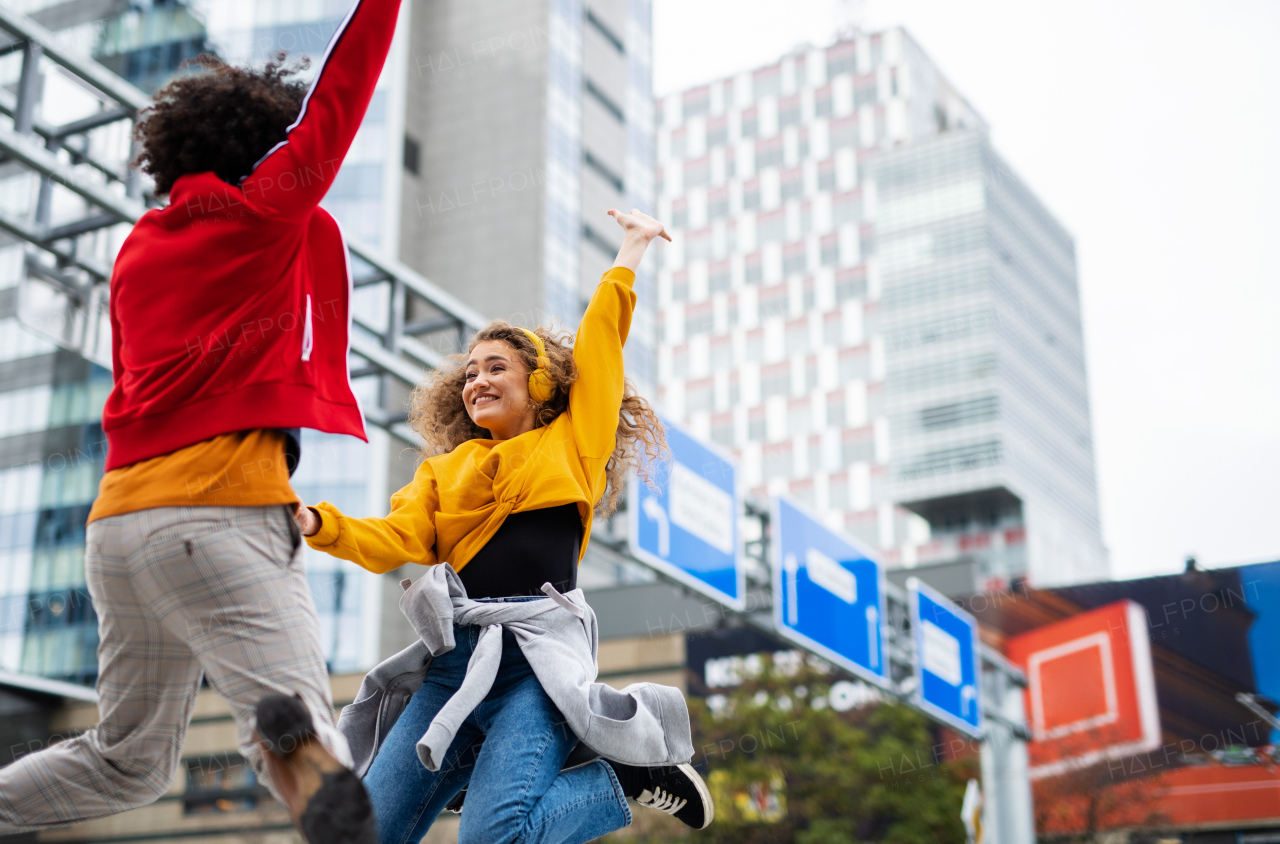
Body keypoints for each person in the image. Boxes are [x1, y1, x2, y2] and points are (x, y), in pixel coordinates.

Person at [0, 1, 402, 841]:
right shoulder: (265, 215)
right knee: (302, 736)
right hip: (220, 511)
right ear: (267, 151)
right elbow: (341, 97)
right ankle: (297, 743)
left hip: (119, 531)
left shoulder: (137, 249)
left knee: (126, 759)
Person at [295, 207, 715, 843]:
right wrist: (312, 520)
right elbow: (392, 540)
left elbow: (601, 343)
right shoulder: (444, 472)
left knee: (493, 838)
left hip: (537, 662)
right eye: (469, 373)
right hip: (452, 665)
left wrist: (630, 250)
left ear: (539, 382)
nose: (477, 381)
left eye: (495, 367)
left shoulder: (574, 443)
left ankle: (620, 776)